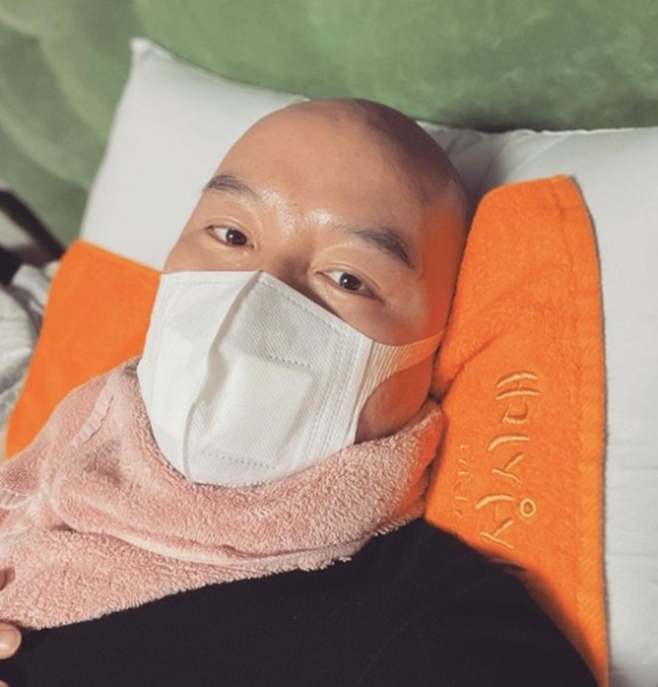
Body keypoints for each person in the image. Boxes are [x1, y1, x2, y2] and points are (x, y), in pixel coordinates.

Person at [0, 99, 596, 685]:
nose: (252, 300)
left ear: (432, 354)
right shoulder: (44, 477)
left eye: (348, 278)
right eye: (231, 234)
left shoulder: (435, 637)